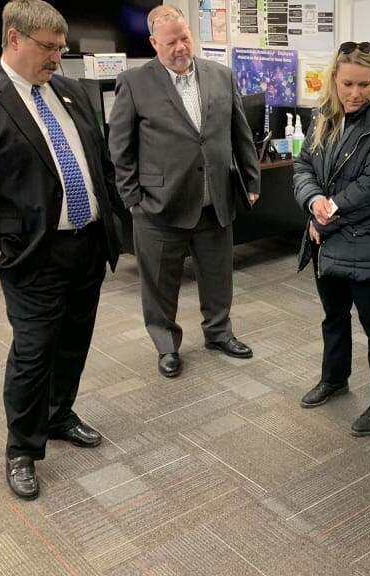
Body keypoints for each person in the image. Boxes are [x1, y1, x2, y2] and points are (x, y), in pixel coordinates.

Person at [0, 0, 128, 500]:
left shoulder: (70, 92)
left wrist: (114, 221)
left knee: (74, 341)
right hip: (31, 257)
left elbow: (99, 163)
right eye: (48, 47)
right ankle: (22, 448)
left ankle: (59, 413)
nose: (57, 58)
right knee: (33, 353)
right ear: (15, 39)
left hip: (88, 245)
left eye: (61, 48)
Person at [108, 6, 261, 379]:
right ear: (154, 43)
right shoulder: (133, 83)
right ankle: (166, 346)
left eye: (185, 38)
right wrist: (133, 200)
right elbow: (120, 148)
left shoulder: (220, 76)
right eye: (171, 41)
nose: (180, 47)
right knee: (160, 284)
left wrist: (252, 180)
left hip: (215, 200)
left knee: (218, 276)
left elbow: (239, 133)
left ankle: (219, 333)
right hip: (159, 207)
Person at [293, 41, 370, 437]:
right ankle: (334, 378)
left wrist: (322, 220)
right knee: (334, 316)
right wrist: (313, 201)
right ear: (335, 79)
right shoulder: (323, 115)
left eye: (364, 84)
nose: (355, 93)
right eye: (348, 84)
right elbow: (303, 165)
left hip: (368, 242)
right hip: (328, 241)